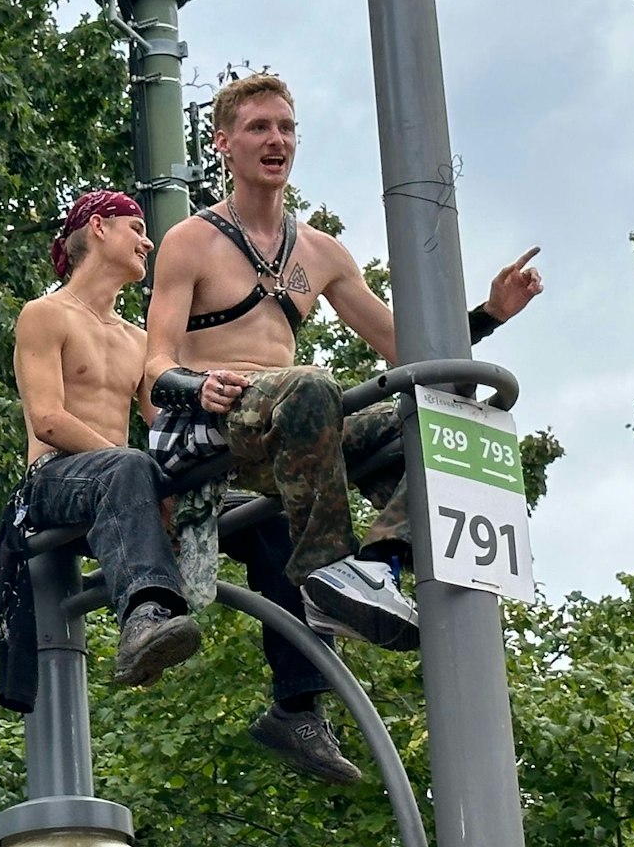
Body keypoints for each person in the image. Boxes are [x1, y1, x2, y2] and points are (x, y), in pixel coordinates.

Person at [143, 72, 543, 780]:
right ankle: (328, 572)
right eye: (261, 127)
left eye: (287, 128)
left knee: (440, 419)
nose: (277, 140)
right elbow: (152, 366)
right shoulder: (190, 241)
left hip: (298, 422)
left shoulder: (320, 252)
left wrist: (489, 315)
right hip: (217, 422)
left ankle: (379, 562)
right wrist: (195, 386)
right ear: (224, 144)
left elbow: (409, 352)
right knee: (313, 384)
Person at [7, 190, 202, 691]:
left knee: (207, 484)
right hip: (52, 477)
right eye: (136, 228)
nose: (148, 241)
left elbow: (162, 429)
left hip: (119, 483)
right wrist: (132, 464)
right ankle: (141, 618)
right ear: (98, 227)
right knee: (129, 465)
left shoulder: (137, 340)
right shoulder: (46, 314)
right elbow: (48, 419)